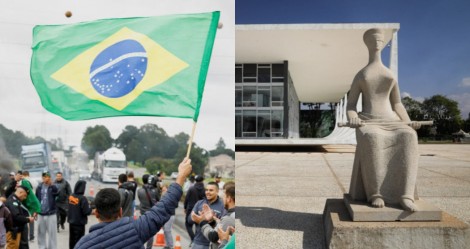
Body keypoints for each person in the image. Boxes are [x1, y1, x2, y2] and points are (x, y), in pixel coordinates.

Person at [347, 28, 421, 211]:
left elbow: (397, 103)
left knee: (409, 137)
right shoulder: (361, 74)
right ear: (367, 43)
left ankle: (406, 194)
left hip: (392, 120)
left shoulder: (390, 74)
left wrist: (408, 121)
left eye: (380, 39)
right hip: (369, 121)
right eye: (373, 39)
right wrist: (353, 118)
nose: (378, 42)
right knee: (372, 138)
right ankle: (376, 193)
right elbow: (351, 105)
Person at [74, 158, 192, 249]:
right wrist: (181, 176)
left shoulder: (82, 245)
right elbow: (163, 207)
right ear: (120, 211)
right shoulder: (136, 229)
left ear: (96, 213)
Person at [189, 182, 225, 249]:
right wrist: (197, 218)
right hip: (198, 242)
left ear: (217, 191)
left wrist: (210, 220)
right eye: (206, 190)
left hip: (213, 244)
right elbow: (189, 220)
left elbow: (223, 225)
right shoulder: (199, 203)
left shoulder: (222, 205)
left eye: (211, 190)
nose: (208, 192)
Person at [199, 181, 235, 249]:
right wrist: (213, 220)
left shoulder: (229, 218)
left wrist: (202, 221)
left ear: (229, 198)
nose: (222, 199)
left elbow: (213, 236)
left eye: (224, 196)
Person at [36, 171, 59, 249]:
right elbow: (36, 199)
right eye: (44, 177)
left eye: (47, 177)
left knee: (52, 234)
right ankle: (42, 247)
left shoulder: (53, 187)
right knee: (41, 233)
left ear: (50, 178)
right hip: (41, 214)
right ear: (42, 178)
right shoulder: (39, 187)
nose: (45, 178)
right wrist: (36, 211)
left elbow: (57, 193)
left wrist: (51, 185)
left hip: (51, 214)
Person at [18, 171, 41, 248]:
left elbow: (30, 194)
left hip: (27, 203)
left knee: (28, 220)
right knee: (30, 220)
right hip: (31, 203)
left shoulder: (24, 182)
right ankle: (31, 236)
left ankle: (29, 236)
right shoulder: (33, 181)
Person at [67, 180, 92, 249]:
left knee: (72, 240)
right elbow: (86, 211)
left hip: (71, 222)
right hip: (79, 224)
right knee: (79, 242)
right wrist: (90, 207)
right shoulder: (83, 198)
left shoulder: (71, 196)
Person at [137, 174, 159, 249]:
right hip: (151, 214)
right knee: (150, 233)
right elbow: (158, 200)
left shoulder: (139, 190)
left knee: (141, 231)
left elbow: (140, 200)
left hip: (142, 213)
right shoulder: (154, 191)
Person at [184, 175, 205, 245]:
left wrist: (185, 207)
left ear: (195, 181)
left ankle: (193, 239)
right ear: (202, 180)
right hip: (201, 210)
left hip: (191, 209)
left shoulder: (191, 188)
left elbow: (186, 199)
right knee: (198, 225)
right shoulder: (205, 189)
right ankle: (196, 240)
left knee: (188, 224)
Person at [160, 184, 175, 249]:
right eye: (162, 189)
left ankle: (171, 245)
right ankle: (166, 245)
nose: (163, 190)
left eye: (165, 189)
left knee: (167, 230)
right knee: (165, 230)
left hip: (170, 215)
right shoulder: (162, 196)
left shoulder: (171, 196)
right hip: (163, 215)